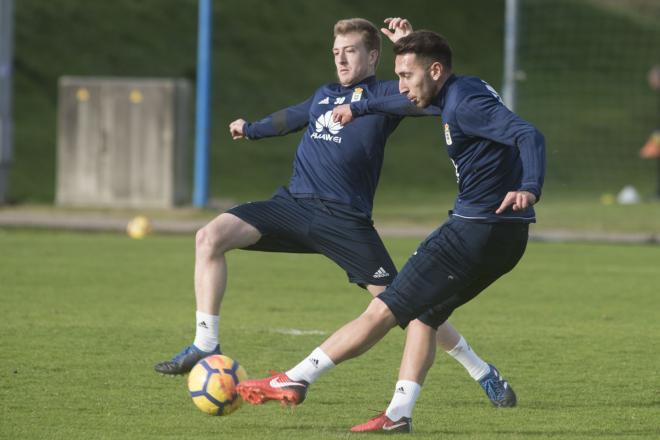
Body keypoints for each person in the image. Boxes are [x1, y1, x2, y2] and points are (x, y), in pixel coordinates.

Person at [155, 18, 515, 408]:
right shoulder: (324, 94)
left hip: (344, 221)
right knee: (210, 237)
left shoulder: (388, 93)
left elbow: (434, 91)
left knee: (411, 306)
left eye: (351, 51)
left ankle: (482, 371)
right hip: (290, 207)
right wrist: (251, 128)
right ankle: (206, 344)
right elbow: (289, 118)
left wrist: (409, 43)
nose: (341, 60)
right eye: (336, 53)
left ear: (373, 55)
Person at [236, 30, 546, 433]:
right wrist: (361, 107)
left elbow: (528, 134)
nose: (400, 86)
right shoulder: (459, 89)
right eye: (397, 74)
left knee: (384, 310)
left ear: (435, 71)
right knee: (425, 315)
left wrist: (529, 187)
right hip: (509, 239)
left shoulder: (464, 103)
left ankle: (296, 377)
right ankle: (398, 415)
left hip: (473, 229)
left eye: (406, 75)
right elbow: (412, 84)